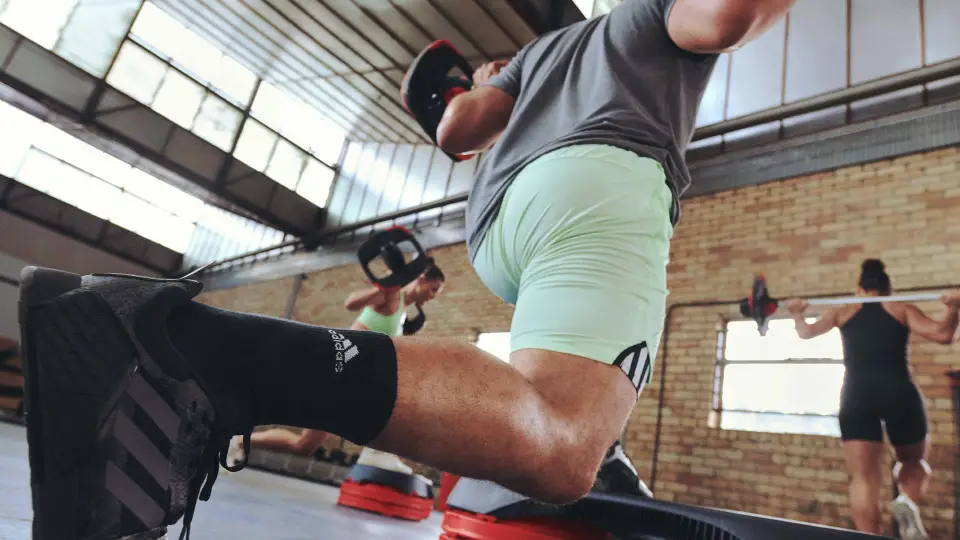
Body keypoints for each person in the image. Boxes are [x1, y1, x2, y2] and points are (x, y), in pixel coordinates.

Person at [18, 2, 798, 538]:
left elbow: (456, 127)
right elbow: (724, 16)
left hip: (499, 223)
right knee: (562, 444)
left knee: (568, 398)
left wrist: (487, 82)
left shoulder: (531, 58)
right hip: (599, 182)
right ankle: (196, 349)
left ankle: (604, 449)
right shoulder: (638, 17)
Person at [785, 259, 960, 540]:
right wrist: (954, 309)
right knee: (914, 463)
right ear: (888, 288)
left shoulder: (843, 311)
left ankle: (868, 536)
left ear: (858, 288)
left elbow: (805, 333)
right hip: (898, 392)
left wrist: (796, 313)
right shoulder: (901, 307)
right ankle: (907, 502)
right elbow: (943, 335)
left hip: (856, 395)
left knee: (863, 478)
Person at [226, 263, 445, 472]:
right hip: (337, 369)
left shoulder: (402, 312)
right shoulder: (392, 296)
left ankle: (240, 442)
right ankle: (378, 453)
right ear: (421, 279)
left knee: (304, 446)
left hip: (350, 381)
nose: (433, 296)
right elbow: (351, 303)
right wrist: (382, 286)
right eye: (433, 289)